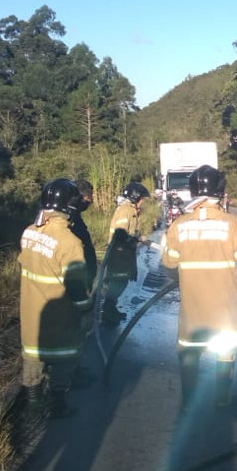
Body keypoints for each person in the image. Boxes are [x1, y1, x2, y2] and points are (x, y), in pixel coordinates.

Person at [160, 165, 237, 410]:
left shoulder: (178, 226)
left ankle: (189, 400)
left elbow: (169, 263)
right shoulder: (232, 224)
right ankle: (222, 398)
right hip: (225, 307)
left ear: (193, 191)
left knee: (190, 353)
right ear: (221, 192)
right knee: (225, 349)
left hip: (192, 308)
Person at [18, 179, 91, 417]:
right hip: (60, 315)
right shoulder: (70, 242)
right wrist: (86, 309)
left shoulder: (29, 232)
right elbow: (76, 285)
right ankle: (57, 405)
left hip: (31, 313)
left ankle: (33, 404)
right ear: (70, 208)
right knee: (63, 357)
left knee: (33, 358)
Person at [102, 182, 150, 324]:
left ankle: (110, 309)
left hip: (124, 254)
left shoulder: (131, 210)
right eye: (142, 199)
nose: (143, 202)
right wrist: (136, 239)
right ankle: (108, 312)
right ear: (136, 197)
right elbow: (120, 233)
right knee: (118, 283)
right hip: (119, 254)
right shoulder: (126, 210)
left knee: (119, 282)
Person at [68, 179, 97, 289]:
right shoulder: (70, 219)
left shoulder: (74, 216)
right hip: (79, 282)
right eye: (89, 197)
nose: (91, 200)